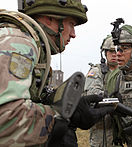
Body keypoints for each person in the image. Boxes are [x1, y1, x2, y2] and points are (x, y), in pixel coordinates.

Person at [0, 1, 114, 147]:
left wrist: (63, 103)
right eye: (71, 24)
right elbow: (7, 119)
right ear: (50, 18)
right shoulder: (17, 43)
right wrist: (60, 117)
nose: (73, 34)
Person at [83, 35, 119, 147]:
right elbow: (93, 94)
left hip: (121, 125)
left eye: (117, 51)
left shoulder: (125, 72)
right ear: (105, 53)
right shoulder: (96, 71)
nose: (114, 54)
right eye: (110, 51)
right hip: (102, 127)